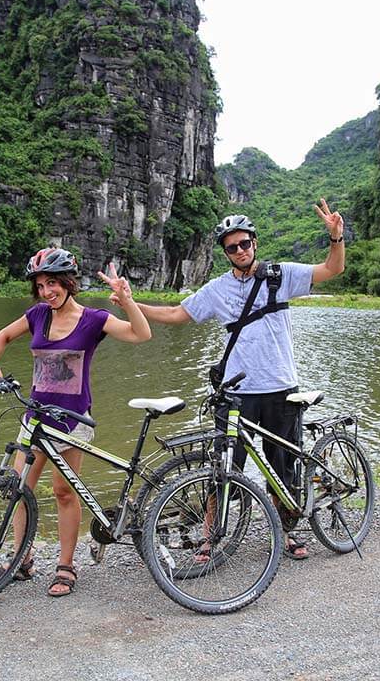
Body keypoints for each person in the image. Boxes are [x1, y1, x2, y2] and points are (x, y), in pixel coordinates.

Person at [132, 198, 345, 560]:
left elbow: (331, 270)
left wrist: (336, 238)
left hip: (280, 388)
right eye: (232, 247)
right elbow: (176, 313)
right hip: (236, 394)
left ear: (254, 243)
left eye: (245, 243)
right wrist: (130, 303)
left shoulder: (280, 275)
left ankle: (286, 532)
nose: (240, 250)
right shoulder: (217, 289)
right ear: (225, 252)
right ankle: (211, 537)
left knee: (282, 466)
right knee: (222, 467)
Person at [0, 248, 151, 597]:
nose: (46, 292)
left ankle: (66, 565)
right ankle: (20, 560)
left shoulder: (94, 319)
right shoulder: (38, 316)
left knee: (63, 492)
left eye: (53, 283)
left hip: (72, 420)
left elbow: (141, 334)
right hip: (35, 416)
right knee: (19, 488)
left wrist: (127, 301)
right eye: (41, 285)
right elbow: (2, 337)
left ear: (68, 283)